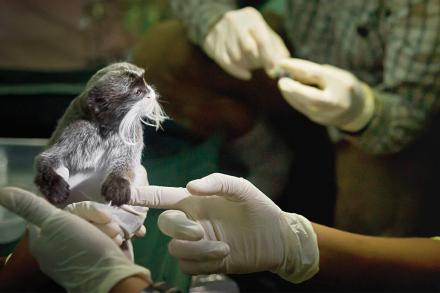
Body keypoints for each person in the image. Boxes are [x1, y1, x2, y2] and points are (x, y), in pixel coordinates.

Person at [132, 0, 440, 236]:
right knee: (163, 52)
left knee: (368, 236)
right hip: (289, 56)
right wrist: (215, 19)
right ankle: (270, 158)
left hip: (379, 116)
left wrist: (363, 112)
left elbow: (410, 112)